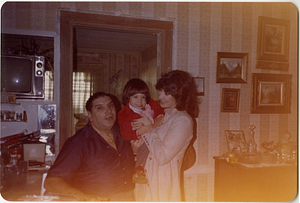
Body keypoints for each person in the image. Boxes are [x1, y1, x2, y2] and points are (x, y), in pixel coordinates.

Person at [44, 92, 135, 201]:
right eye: (100, 108)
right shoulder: (78, 143)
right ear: (90, 115)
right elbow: (52, 182)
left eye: (110, 106)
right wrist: (84, 198)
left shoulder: (123, 134)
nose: (108, 111)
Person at [134, 70, 199, 201]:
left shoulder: (183, 120)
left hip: (162, 182)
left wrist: (148, 129)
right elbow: (152, 146)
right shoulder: (165, 115)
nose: (160, 97)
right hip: (146, 178)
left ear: (180, 95)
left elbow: (162, 157)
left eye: (167, 93)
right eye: (160, 91)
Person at [118, 78, 164, 183]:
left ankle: (141, 169)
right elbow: (124, 134)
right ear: (128, 97)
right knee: (142, 148)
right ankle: (137, 170)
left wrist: (160, 116)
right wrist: (139, 131)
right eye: (135, 97)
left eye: (143, 97)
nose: (140, 101)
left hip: (151, 135)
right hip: (135, 139)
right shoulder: (124, 113)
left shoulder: (149, 104)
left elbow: (160, 106)